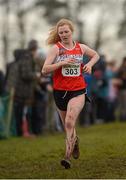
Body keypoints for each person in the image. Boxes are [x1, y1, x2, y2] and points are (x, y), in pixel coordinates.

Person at [42, 18, 99, 169]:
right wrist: (61, 63)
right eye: (61, 32)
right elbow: (44, 69)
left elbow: (96, 55)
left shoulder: (80, 47)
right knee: (68, 125)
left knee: (69, 121)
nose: (64, 34)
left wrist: (89, 65)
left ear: (72, 32)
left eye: (66, 31)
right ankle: (74, 142)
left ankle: (67, 157)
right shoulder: (56, 49)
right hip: (60, 92)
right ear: (58, 34)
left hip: (78, 90)